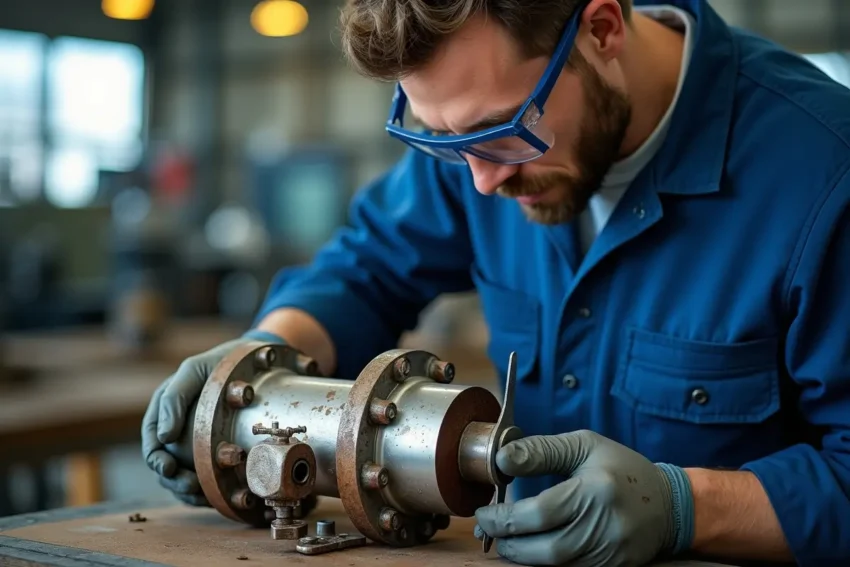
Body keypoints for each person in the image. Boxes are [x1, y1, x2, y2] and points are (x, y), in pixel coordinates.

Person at [142, 0, 850, 565]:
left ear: (602, 29)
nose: (481, 178)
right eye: (442, 139)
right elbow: (366, 268)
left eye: (505, 132)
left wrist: (683, 507)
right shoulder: (473, 136)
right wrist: (256, 366)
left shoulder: (823, 175)